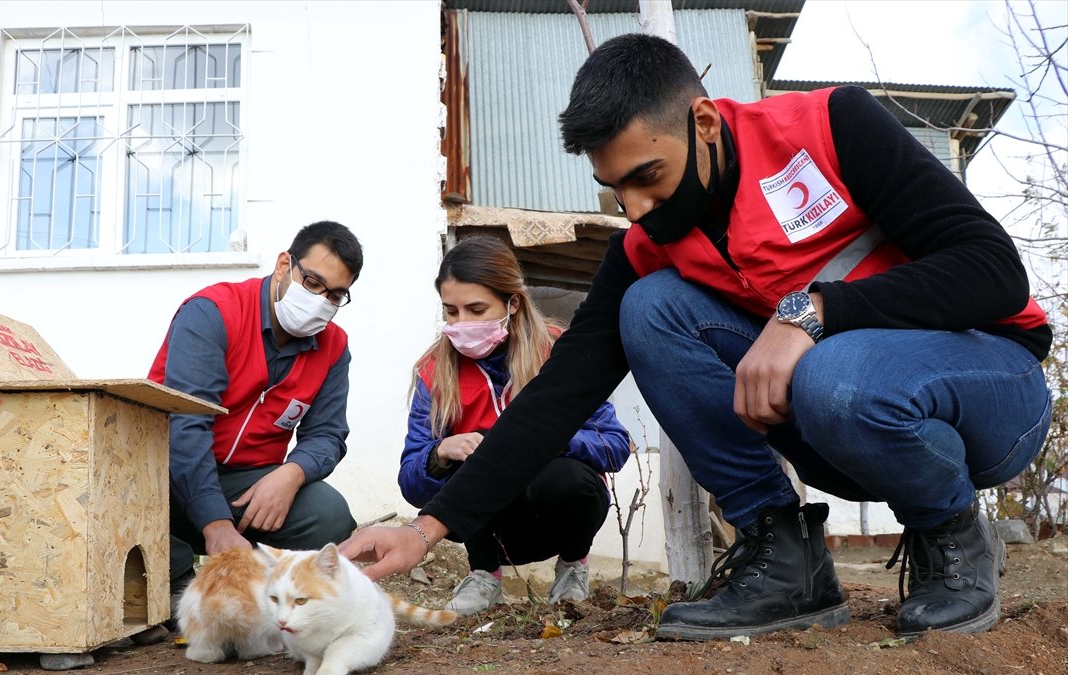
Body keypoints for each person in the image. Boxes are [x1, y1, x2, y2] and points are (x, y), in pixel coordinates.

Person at [342, 33, 1053, 642]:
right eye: (617, 188)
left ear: (704, 123)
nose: (638, 208)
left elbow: (993, 272)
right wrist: (427, 528)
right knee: (650, 306)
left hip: (990, 389)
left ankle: (952, 535)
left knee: (833, 372)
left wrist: (809, 312)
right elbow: (559, 393)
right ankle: (784, 557)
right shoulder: (649, 246)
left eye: (649, 176)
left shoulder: (831, 126)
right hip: (840, 422)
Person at [398, 236, 631, 614]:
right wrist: (440, 453)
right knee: (471, 455)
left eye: (477, 309)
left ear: (513, 303)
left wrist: (550, 440)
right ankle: (484, 575)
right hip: (485, 522)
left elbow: (615, 444)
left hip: (557, 513)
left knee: (565, 477)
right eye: (451, 311)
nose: (462, 323)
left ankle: (573, 567)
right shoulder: (434, 371)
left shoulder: (559, 351)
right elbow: (410, 481)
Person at [150, 220, 364, 597]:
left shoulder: (333, 346)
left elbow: (328, 434)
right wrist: (215, 523)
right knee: (121, 499)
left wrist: (292, 474)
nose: (321, 301)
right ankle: (174, 581)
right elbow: (186, 425)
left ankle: (269, 587)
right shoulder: (213, 313)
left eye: (335, 295)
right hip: (166, 469)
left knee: (329, 513)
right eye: (313, 283)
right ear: (284, 265)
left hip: (245, 482)